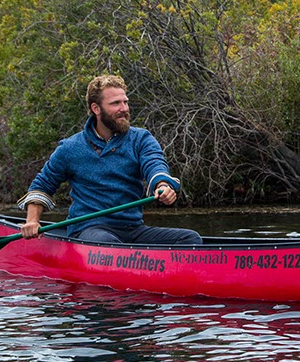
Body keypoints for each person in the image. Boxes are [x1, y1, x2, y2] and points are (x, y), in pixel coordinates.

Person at [18, 74, 201, 246]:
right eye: (116, 103)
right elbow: (42, 185)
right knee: (107, 241)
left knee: (190, 238)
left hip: (132, 229)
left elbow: (154, 164)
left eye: (125, 102)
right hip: (88, 231)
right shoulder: (70, 147)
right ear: (96, 108)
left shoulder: (141, 139)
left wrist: (163, 185)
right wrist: (32, 221)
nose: (124, 109)